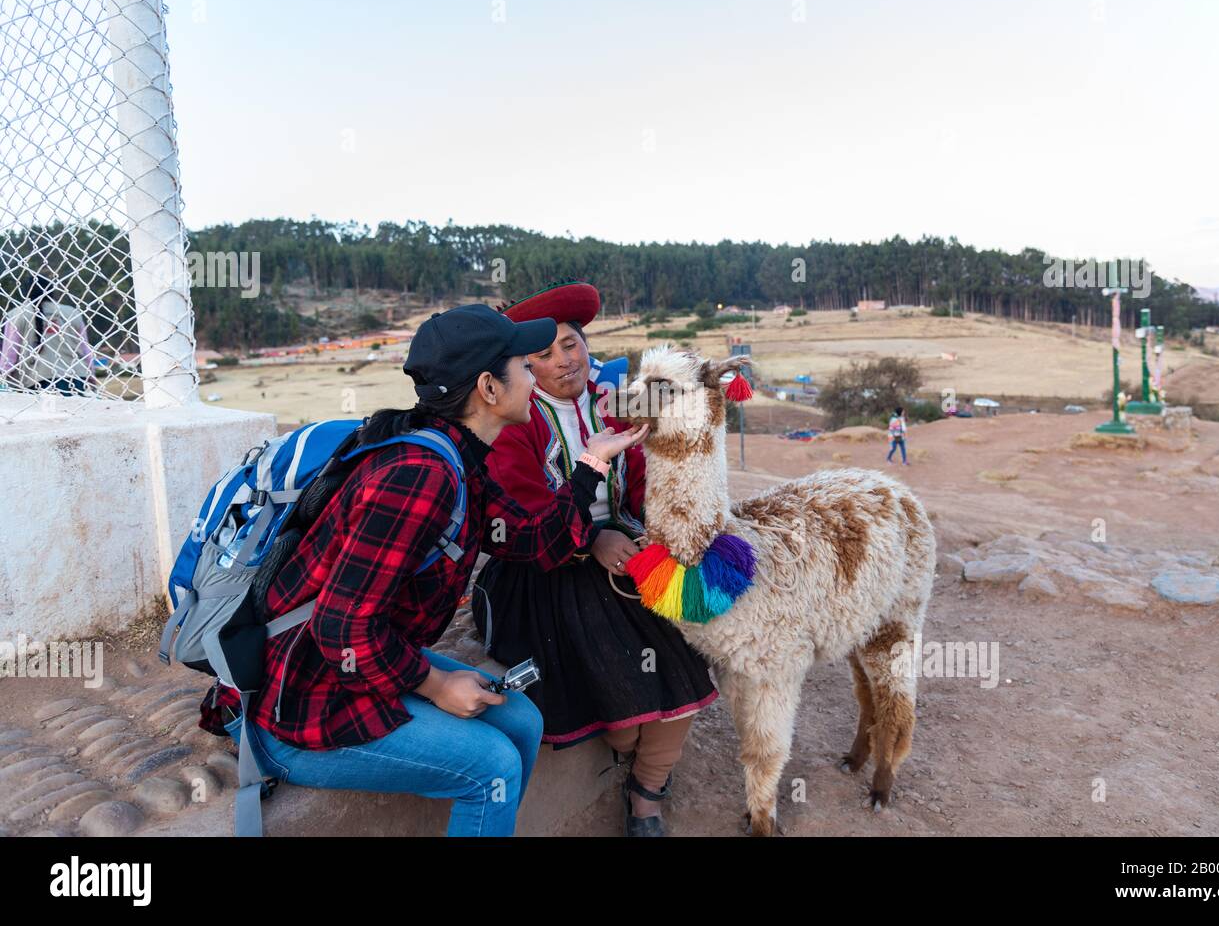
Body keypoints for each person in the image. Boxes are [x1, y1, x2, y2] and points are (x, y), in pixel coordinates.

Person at [197, 304, 648, 836]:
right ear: (489, 387)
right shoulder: (418, 476)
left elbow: (534, 542)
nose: (536, 376)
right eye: (525, 366)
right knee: (493, 768)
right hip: (301, 703)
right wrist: (435, 684)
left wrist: (592, 463)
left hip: (348, 665)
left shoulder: (457, 454)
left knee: (523, 720)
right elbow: (341, 629)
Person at [472, 280, 718, 836]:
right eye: (544, 353)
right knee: (616, 677)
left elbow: (647, 486)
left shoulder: (616, 403)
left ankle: (646, 795)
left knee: (683, 650)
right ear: (522, 366)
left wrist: (655, 532)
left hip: (627, 547)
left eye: (571, 344)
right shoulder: (516, 423)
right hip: (545, 565)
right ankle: (629, 747)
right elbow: (527, 524)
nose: (564, 361)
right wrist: (591, 541)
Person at [0, 275, 95, 394]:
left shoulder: (17, 315)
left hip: (36, 379)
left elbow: (10, 353)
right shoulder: (72, 312)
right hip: (76, 376)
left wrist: (4, 375)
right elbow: (85, 349)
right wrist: (91, 374)